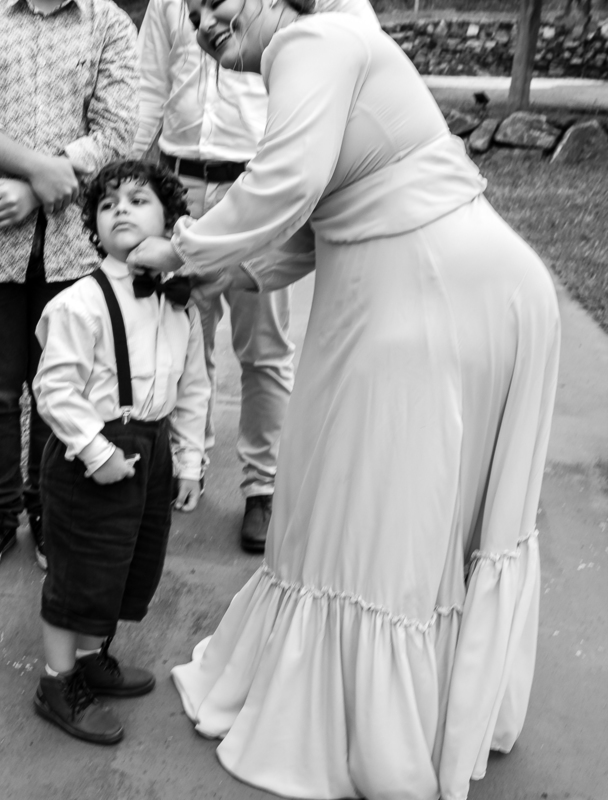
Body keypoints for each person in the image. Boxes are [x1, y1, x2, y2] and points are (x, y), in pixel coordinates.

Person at [127, 1, 561, 797]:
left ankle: (378, 729)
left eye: (216, 2)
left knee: (378, 512)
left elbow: (286, 185)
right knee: (382, 509)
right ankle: (410, 712)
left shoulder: (314, 39)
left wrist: (180, 248)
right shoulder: (327, 46)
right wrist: (224, 273)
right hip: (442, 292)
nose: (204, 21)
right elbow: (315, 220)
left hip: (436, 296)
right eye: (190, 13)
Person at [133, 0, 377, 553]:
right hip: (180, 182)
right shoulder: (169, 5)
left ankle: (262, 485)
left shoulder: (279, 14)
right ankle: (185, 462)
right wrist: (124, 174)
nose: (205, 22)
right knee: (181, 339)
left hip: (258, 183)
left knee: (263, 349)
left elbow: (352, 33)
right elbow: (149, 86)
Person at [0, 0, 139, 580]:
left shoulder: (108, 22)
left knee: (61, 387)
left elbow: (118, 129)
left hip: (75, 246)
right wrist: (38, 170)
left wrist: (37, 189)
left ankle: (49, 509)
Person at [31, 160, 211, 744]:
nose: (121, 210)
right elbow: (53, 389)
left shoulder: (180, 304)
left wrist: (188, 462)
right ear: (95, 228)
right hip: (92, 453)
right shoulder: (80, 303)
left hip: (151, 447)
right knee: (80, 571)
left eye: (137, 200)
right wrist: (96, 450)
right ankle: (57, 682)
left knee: (126, 564)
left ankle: (90, 659)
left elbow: (193, 388)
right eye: (108, 205)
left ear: (172, 220)